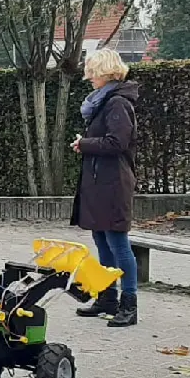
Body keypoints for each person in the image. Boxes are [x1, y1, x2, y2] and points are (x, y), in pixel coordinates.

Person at [70, 48, 139, 328]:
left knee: (118, 244)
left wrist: (83, 144)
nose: (89, 79)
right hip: (99, 181)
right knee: (101, 240)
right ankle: (107, 296)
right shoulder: (104, 102)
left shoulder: (117, 103)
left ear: (104, 73)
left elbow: (117, 142)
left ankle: (129, 303)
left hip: (112, 182)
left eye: (93, 74)